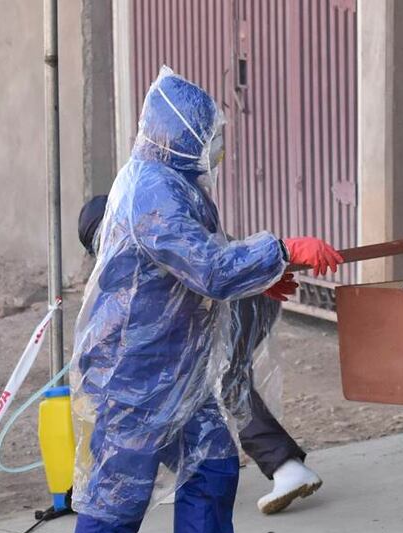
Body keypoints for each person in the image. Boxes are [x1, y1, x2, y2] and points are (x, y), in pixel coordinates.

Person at [62, 67, 342, 533]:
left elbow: (197, 266)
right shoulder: (153, 192)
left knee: (212, 464)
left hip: (178, 367)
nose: (217, 148)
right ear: (181, 135)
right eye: (210, 136)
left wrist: (260, 279)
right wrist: (281, 250)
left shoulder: (177, 185)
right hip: (133, 368)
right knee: (119, 484)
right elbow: (209, 267)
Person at [79, 196, 322, 516]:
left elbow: (205, 269)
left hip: (236, 296)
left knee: (223, 379)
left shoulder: (146, 233)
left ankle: (286, 467)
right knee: (187, 387)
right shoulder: (147, 222)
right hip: (240, 290)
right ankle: (190, 475)